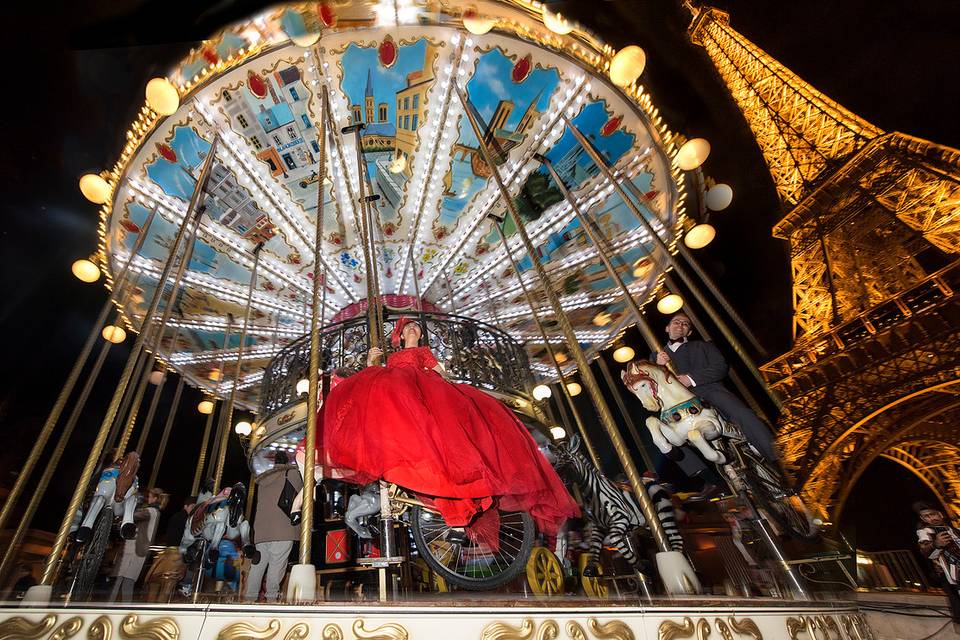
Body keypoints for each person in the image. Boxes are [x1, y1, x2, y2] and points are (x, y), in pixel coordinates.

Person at [318, 316, 578, 537]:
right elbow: (379, 381)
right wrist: (371, 363)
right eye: (408, 328)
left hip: (422, 390)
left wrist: (445, 386)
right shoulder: (394, 359)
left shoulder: (423, 354)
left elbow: (440, 372)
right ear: (399, 336)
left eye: (416, 328)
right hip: (400, 393)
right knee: (381, 396)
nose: (412, 330)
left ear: (420, 336)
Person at [653, 313, 779, 498]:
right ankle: (708, 479)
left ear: (689, 330)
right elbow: (653, 386)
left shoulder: (703, 346)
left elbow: (720, 367)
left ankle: (775, 457)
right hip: (681, 403)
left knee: (743, 413)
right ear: (667, 328)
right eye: (676, 322)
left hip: (709, 391)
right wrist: (658, 367)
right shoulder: (657, 356)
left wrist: (690, 379)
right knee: (665, 433)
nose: (680, 325)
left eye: (685, 323)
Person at [244, 451, 301, 602]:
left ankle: (249, 599)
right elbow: (304, 493)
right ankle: (271, 599)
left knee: (257, 566)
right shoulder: (292, 473)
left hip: (261, 530)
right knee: (277, 565)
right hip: (283, 528)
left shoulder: (264, 479)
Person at [110, 487, 165, 602]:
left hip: (134, 548)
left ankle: (113, 604)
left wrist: (130, 504)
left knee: (121, 580)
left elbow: (133, 516)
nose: (147, 499)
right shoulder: (154, 511)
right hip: (137, 548)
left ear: (155, 498)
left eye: (149, 497)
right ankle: (121, 604)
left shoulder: (150, 511)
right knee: (125, 580)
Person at [915, 502, 960, 621]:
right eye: (926, 517)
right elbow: (925, 552)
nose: (931, 518)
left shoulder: (954, 530)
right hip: (952, 576)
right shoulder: (926, 533)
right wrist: (936, 544)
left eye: (933, 514)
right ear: (922, 519)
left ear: (940, 514)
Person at [144, 497, 195, 602]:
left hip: (166, 552)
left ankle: (150, 605)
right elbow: (187, 538)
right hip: (176, 554)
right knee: (167, 587)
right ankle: (161, 607)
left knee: (155, 584)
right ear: (186, 506)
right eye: (192, 507)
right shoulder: (186, 519)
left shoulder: (176, 516)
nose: (193, 509)